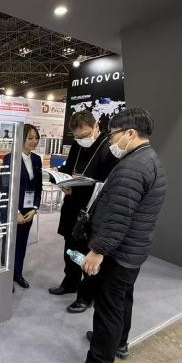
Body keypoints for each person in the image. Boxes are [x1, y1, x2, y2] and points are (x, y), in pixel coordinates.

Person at [70, 108, 167, 363]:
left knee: (108, 308)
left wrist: (97, 251)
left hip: (118, 252)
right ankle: (118, 342)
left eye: (113, 134)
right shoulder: (149, 160)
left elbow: (118, 217)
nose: (111, 140)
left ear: (130, 133)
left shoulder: (132, 168)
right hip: (133, 251)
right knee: (123, 300)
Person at [48, 110, 118, 314]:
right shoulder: (77, 145)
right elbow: (68, 169)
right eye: (77, 137)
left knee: (87, 255)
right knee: (70, 248)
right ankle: (70, 282)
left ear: (96, 127)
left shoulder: (108, 148)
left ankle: (86, 297)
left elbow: (107, 182)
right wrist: (63, 181)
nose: (81, 140)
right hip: (72, 207)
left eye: (85, 135)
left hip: (93, 210)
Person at [0, 124, 43, 289]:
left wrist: (35, 208)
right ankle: (6, 278)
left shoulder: (36, 159)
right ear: (21, 139)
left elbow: (38, 187)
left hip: (28, 211)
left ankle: (17, 273)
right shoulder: (9, 159)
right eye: (30, 138)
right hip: (12, 211)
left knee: (22, 244)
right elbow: (4, 188)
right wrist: (15, 211)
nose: (34, 141)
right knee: (9, 245)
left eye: (36, 138)